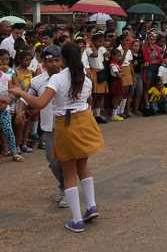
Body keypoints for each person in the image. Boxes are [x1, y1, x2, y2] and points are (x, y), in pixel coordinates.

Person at [9, 43, 104, 233]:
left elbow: (41, 103)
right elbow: (88, 101)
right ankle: (91, 206)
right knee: (83, 165)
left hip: (66, 124)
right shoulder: (84, 77)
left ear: (63, 59)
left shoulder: (58, 79)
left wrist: (20, 92)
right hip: (84, 121)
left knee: (68, 173)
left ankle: (77, 220)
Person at [22, 45, 66, 206]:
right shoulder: (37, 81)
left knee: (68, 160)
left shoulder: (69, 77)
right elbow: (24, 98)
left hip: (69, 127)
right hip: (49, 127)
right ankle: (64, 185)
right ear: (43, 62)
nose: (54, 64)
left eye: (57, 60)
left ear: (61, 60)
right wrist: (21, 111)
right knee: (53, 160)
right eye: (50, 61)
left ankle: (68, 191)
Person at [0, 48, 22, 162]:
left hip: (4, 107)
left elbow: (12, 89)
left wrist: (8, 100)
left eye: (7, 59)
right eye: (2, 59)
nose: (4, 62)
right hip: (2, 102)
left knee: (8, 130)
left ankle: (14, 153)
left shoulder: (9, 73)